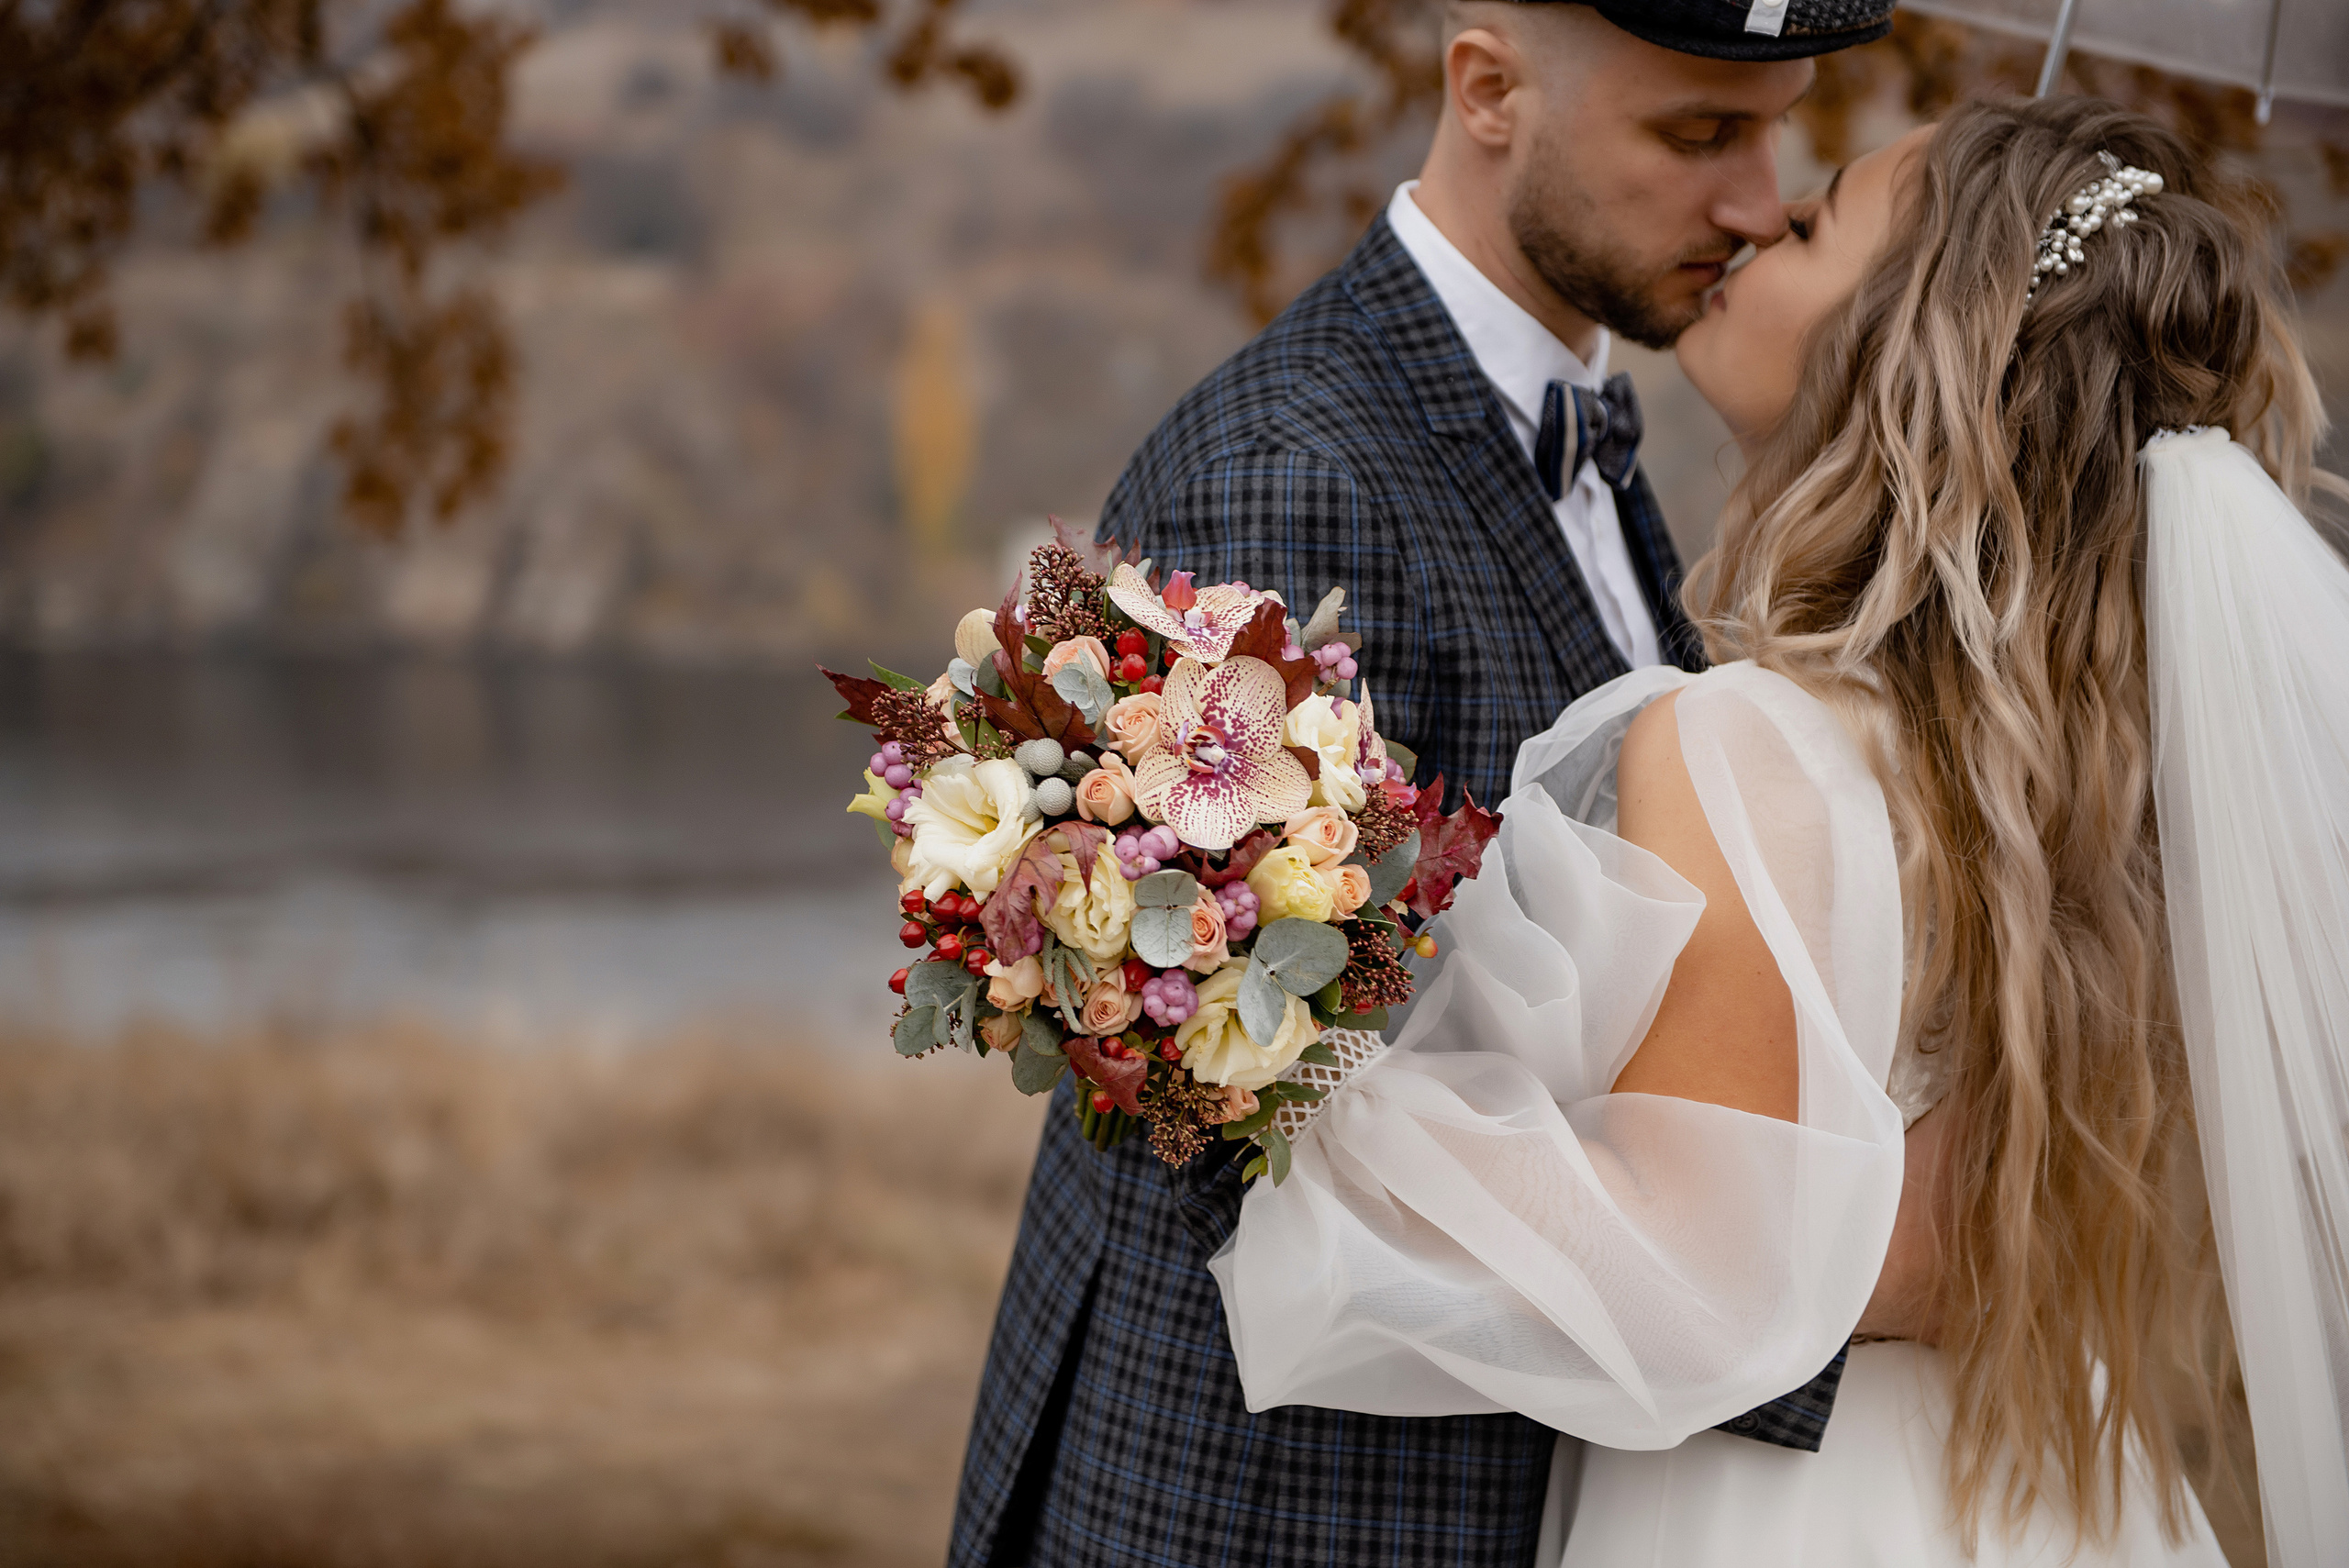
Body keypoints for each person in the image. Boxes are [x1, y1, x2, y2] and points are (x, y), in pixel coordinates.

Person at [1216, 94, 2349, 1565]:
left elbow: (1697, 1267)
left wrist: (1288, 1071)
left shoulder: (1746, 742)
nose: (1758, 221)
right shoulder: (2112, 772)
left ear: (1906, 335)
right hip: (2058, 1483)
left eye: (1816, 221)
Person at [947, 4, 1906, 1563]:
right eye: (1699, 133)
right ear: (1490, 90)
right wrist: (1809, 1258)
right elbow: (1229, 1109)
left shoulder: (1581, 441)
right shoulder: (1299, 473)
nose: (1757, 197)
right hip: (1274, 1510)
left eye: (1780, 126)